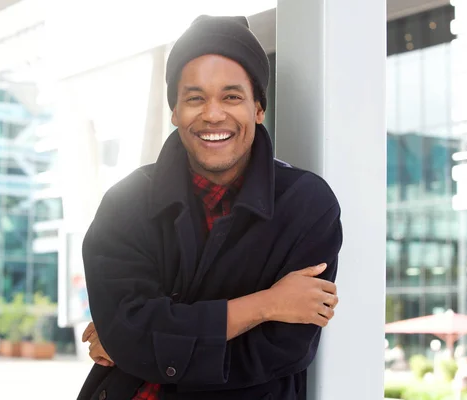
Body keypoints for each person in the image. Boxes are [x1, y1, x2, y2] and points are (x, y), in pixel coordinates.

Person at [78, 15, 343, 400]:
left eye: (231, 96)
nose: (213, 114)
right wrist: (265, 304)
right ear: (175, 111)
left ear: (258, 108)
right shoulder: (126, 202)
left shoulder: (306, 205)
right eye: (195, 98)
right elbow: (127, 332)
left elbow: (283, 350)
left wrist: (146, 346)